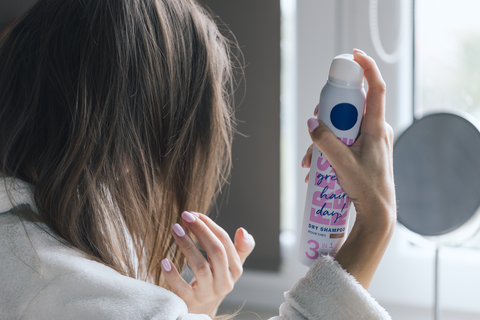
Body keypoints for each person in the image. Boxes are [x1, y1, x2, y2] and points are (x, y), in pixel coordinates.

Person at [0, 0, 395, 319]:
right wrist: (375, 222)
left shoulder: (24, 240)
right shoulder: (57, 283)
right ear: (138, 137)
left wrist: (192, 312)